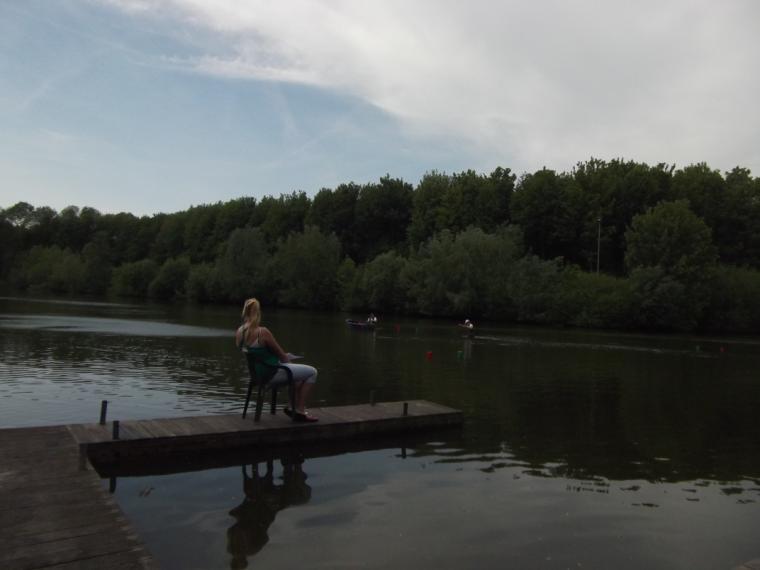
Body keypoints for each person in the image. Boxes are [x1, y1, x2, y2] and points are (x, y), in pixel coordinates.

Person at [236, 298, 318, 422]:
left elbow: (256, 354)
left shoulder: (239, 332)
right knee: (312, 372)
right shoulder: (262, 332)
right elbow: (283, 357)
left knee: (297, 375)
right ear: (258, 313)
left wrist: (282, 362)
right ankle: (300, 410)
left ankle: (293, 407)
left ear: (245, 312)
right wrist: (289, 364)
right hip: (270, 374)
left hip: (256, 375)